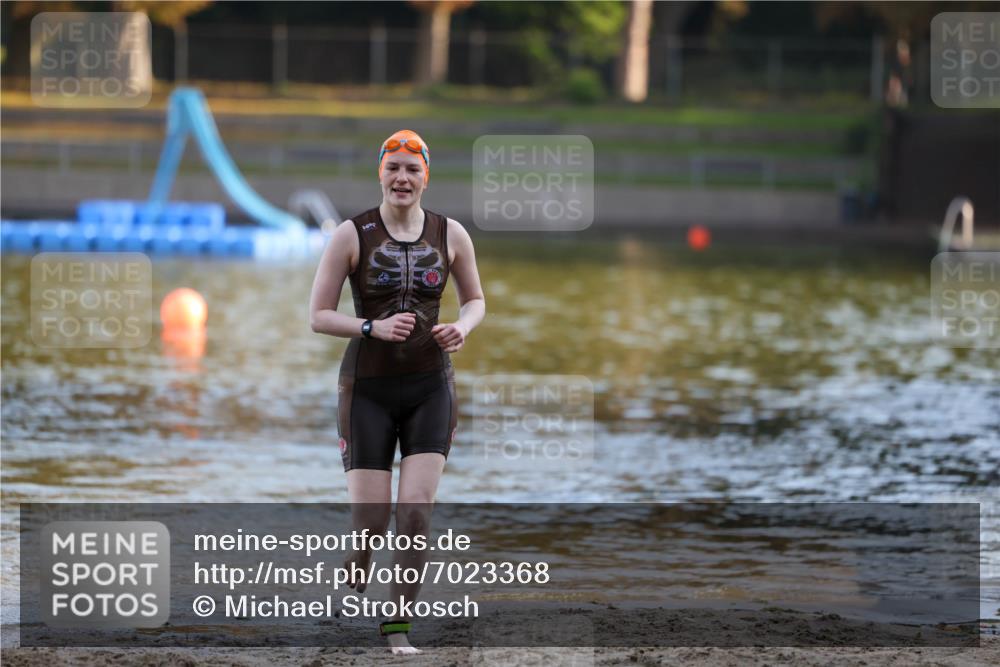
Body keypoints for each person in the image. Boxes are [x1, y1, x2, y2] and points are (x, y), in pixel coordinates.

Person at [309, 130, 486, 655]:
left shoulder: (451, 233)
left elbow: (476, 300)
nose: (402, 178)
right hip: (366, 388)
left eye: (413, 169)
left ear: (426, 176)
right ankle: (360, 555)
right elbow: (318, 316)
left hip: (432, 386)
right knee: (372, 521)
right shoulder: (350, 234)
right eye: (393, 168)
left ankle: (397, 626)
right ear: (380, 174)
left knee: (414, 512)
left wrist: (463, 327)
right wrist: (371, 328)